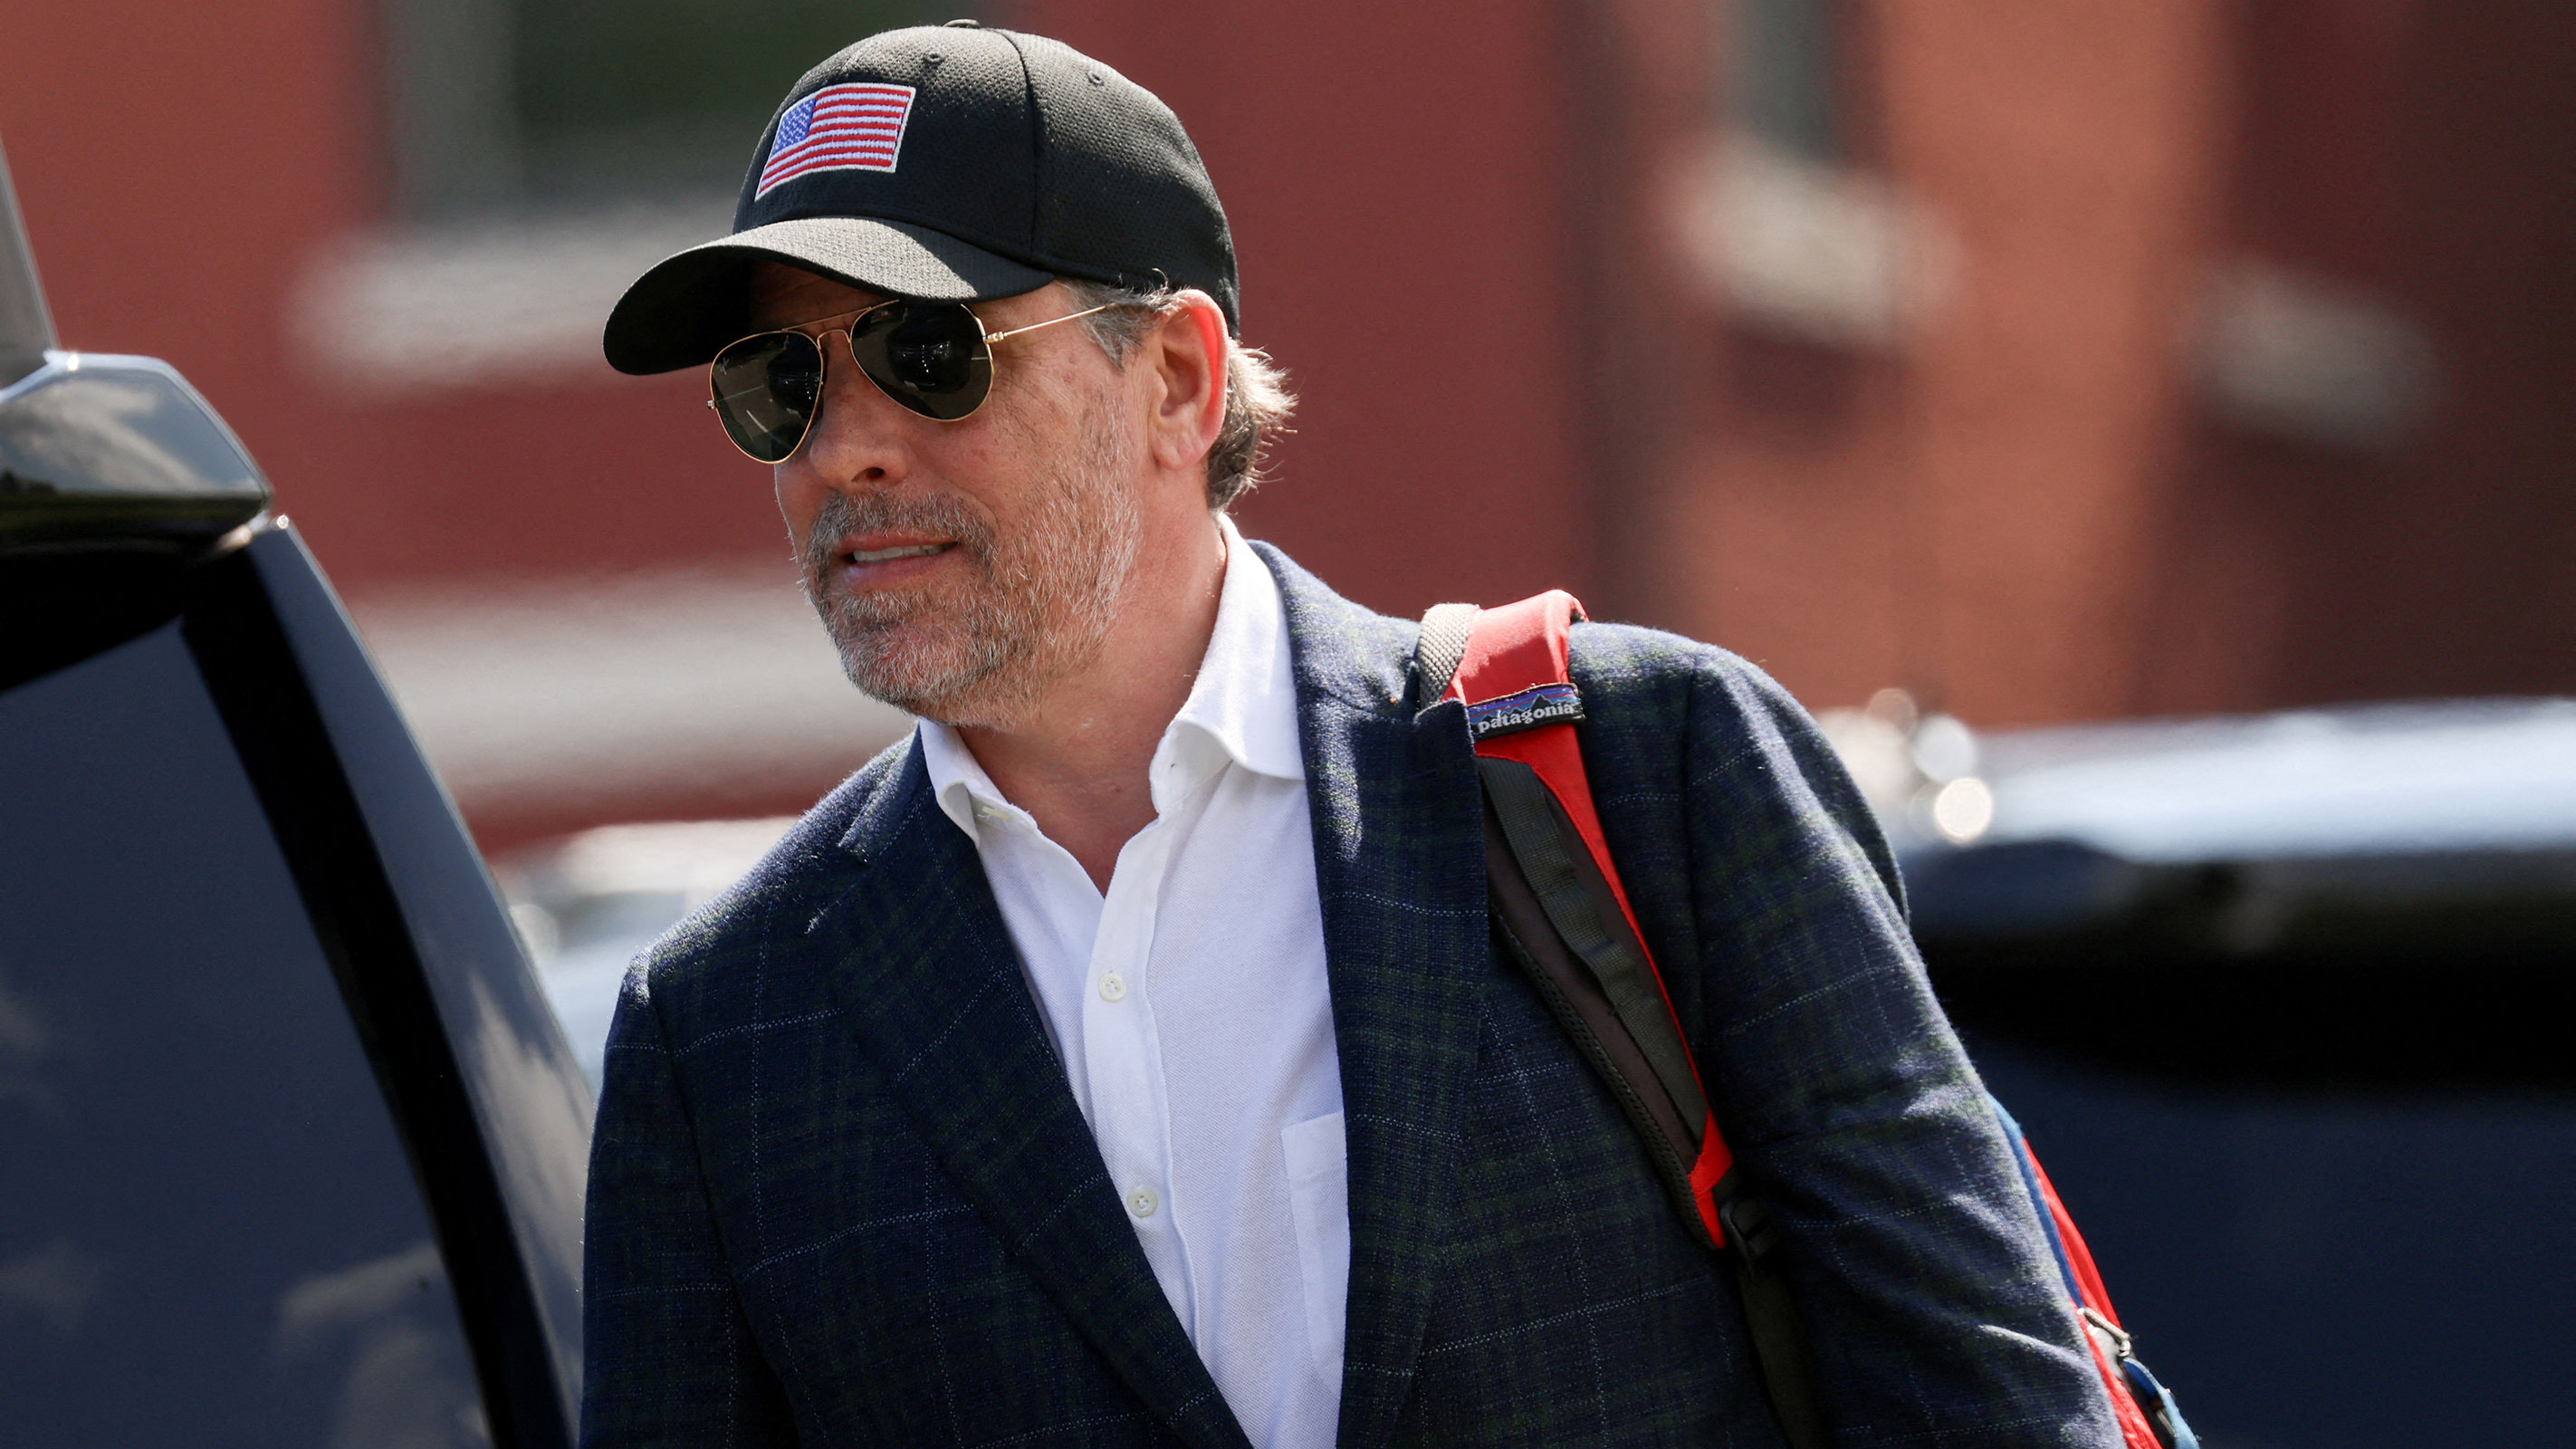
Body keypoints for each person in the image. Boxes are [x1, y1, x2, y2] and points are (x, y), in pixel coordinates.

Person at [583, 22, 2122, 1449]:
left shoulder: (1655, 775)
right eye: (781, 383)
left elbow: (1990, 1409)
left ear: (1174, 379)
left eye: (930, 352)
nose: (844, 448)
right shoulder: (719, 1035)